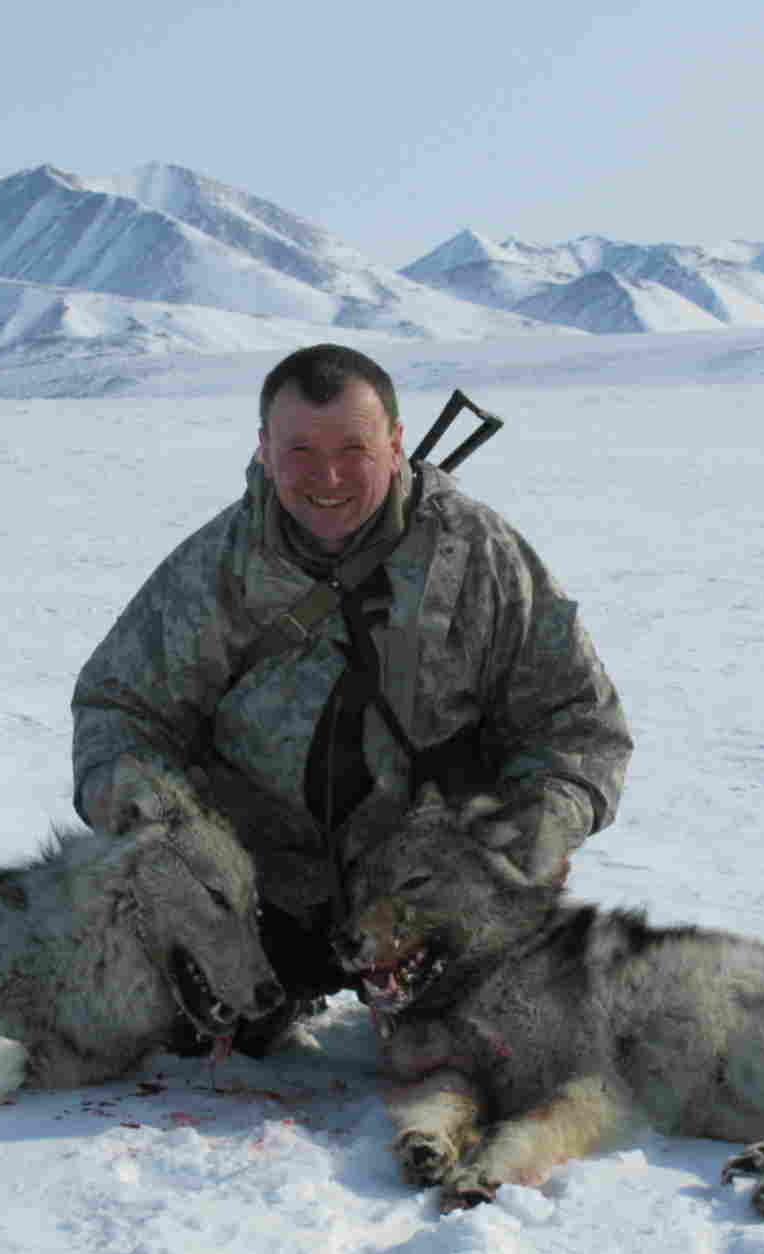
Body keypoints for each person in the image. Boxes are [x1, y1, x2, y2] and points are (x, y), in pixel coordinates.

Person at [71, 343, 631, 1053]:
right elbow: (120, 710)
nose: (327, 476)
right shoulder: (217, 570)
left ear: (395, 445)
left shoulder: (478, 558)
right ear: (264, 450)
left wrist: (546, 817)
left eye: (353, 449)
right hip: (260, 899)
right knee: (150, 1025)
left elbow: (579, 722)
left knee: (499, 1061)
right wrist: (131, 797)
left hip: (430, 903)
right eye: (299, 449)